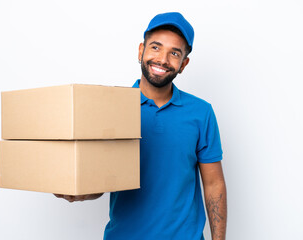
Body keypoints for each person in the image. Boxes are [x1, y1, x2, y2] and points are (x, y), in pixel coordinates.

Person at [55, 12, 227, 240]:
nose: (163, 60)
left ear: (183, 64)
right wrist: (78, 193)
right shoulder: (112, 107)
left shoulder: (201, 112)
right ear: (141, 51)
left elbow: (214, 185)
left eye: (174, 53)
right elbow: (104, 179)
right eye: (155, 47)